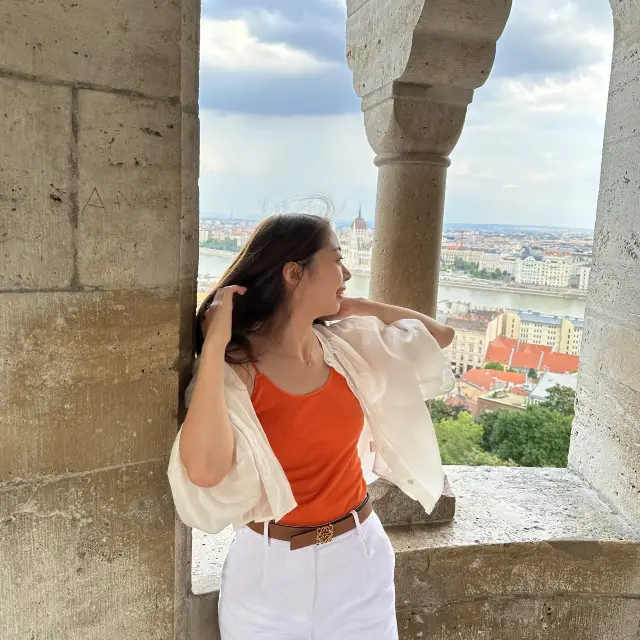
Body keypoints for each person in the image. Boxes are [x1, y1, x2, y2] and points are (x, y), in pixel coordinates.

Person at [168, 213, 456, 640]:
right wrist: (214, 344)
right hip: (268, 578)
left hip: (360, 561)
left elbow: (439, 336)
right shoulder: (236, 371)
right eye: (337, 260)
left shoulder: (342, 348)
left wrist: (355, 305)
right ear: (293, 273)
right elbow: (206, 470)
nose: (348, 272)